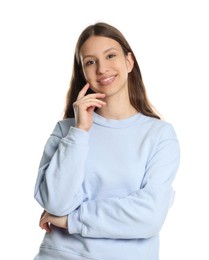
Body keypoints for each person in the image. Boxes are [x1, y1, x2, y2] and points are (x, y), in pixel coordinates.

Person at [33, 22, 180, 260]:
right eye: (90, 62)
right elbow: (56, 203)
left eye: (110, 56)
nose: (102, 68)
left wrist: (72, 220)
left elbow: (150, 216)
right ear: (83, 72)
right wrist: (80, 132)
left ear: (128, 62)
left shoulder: (159, 135)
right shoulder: (66, 131)